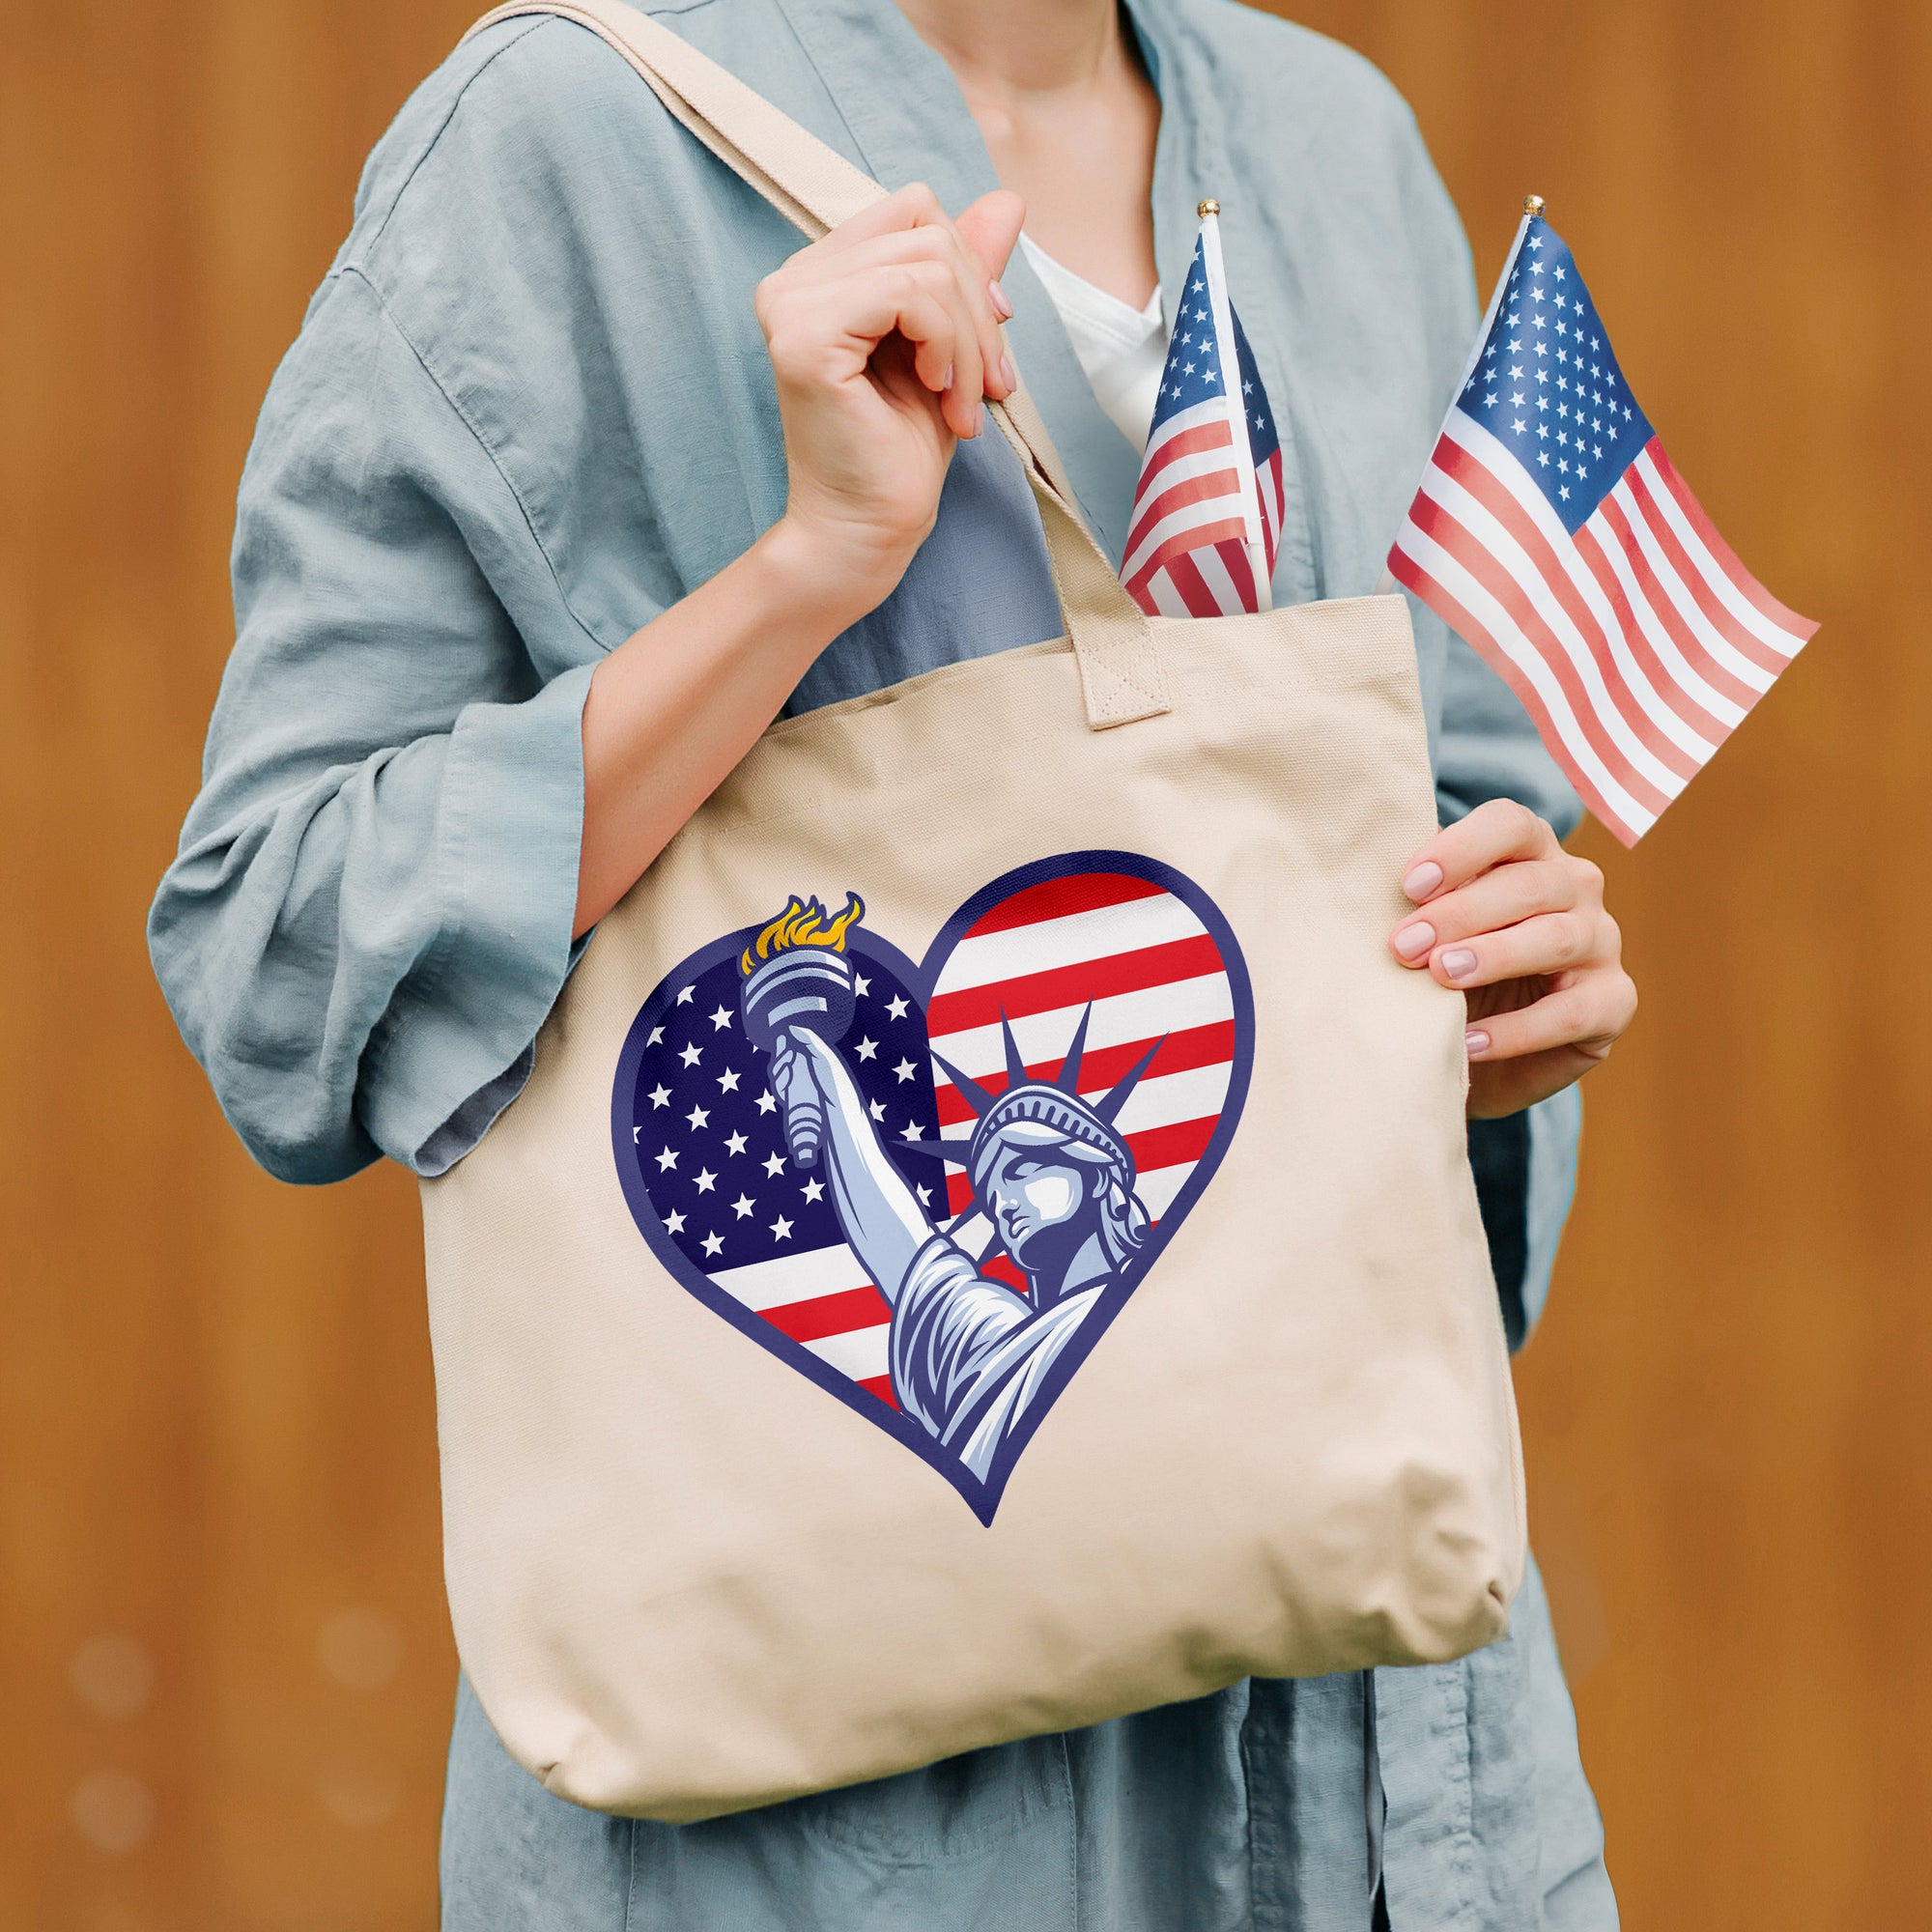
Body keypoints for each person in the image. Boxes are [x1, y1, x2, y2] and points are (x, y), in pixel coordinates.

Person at [149, 0, 1636, 1922]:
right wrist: (805, 575)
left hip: (1404, 1803)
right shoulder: (557, 143)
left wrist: (1495, 998)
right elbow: (279, 953)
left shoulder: (1335, 142)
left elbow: (1464, 811)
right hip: (825, 1837)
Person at [769, 1004, 1157, 1474]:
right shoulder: (1003, 1347)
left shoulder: (1157, 1299)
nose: (1004, 1205)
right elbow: (904, 1252)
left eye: (1022, 1172)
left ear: (1094, 1175)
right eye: (992, 1199)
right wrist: (832, 1094)